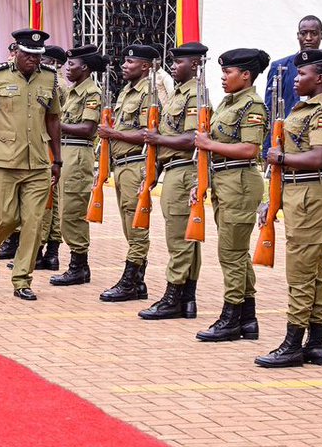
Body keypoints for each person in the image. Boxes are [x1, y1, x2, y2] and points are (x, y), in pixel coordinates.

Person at [254, 49, 322, 368]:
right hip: (300, 191)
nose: (296, 78)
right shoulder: (304, 108)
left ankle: (293, 344)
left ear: (319, 78)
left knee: (299, 274)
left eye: (303, 74)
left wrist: (281, 158)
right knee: (313, 273)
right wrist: (274, 199)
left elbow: (320, 156)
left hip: (311, 193)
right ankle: (316, 343)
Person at [0, 29, 62, 302]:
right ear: (16, 52)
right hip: (3, 161)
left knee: (34, 224)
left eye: (38, 56)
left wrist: (57, 159)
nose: (34, 60)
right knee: (5, 219)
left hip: (38, 163)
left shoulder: (49, 78)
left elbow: (53, 120)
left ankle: (22, 279)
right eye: (28, 55)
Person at [193, 48, 268, 342]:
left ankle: (231, 317)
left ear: (246, 75)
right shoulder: (229, 102)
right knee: (236, 252)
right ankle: (247, 319)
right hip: (225, 180)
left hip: (240, 181)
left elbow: (250, 149)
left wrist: (209, 145)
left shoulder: (253, 106)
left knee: (231, 253)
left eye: (229, 72)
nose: (223, 78)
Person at [264, 16, 322, 247]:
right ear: (298, 35)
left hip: (319, 150)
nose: (309, 38)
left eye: (314, 33)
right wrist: (268, 152)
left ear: (321, 35)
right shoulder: (281, 67)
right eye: (304, 33)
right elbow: (270, 113)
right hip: (286, 150)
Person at [139, 42, 207, 320]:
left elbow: (192, 139)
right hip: (173, 169)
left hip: (184, 170)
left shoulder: (196, 94)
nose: (174, 67)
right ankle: (186, 299)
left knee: (179, 238)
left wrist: (158, 139)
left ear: (195, 65)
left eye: (179, 62)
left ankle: (174, 296)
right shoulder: (179, 93)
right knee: (187, 236)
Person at [96, 44, 158, 303]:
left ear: (145, 66)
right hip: (122, 165)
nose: (124, 65)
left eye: (130, 62)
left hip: (136, 164)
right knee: (128, 224)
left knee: (137, 224)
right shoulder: (126, 92)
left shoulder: (148, 93)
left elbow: (148, 134)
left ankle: (131, 280)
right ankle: (138, 283)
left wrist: (113, 134)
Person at [49, 45, 105, 287]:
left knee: (73, 211)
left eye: (71, 65)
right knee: (64, 211)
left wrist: (54, 125)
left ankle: (79, 266)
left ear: (85, 68)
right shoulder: (73, 92)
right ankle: (76, 263)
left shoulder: (91, 92)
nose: (67, 68)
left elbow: (87, 128)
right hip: (66, 150)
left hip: (78, 152)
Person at [34, 45, 70, 269]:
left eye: (44, 60)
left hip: (49, 145)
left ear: (55, 63)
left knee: (48, 202)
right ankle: (51, 252)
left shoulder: (55, 84)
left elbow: (52, 118)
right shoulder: (54, 82)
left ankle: (43, 250)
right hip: (50, 144)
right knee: (52, 202)